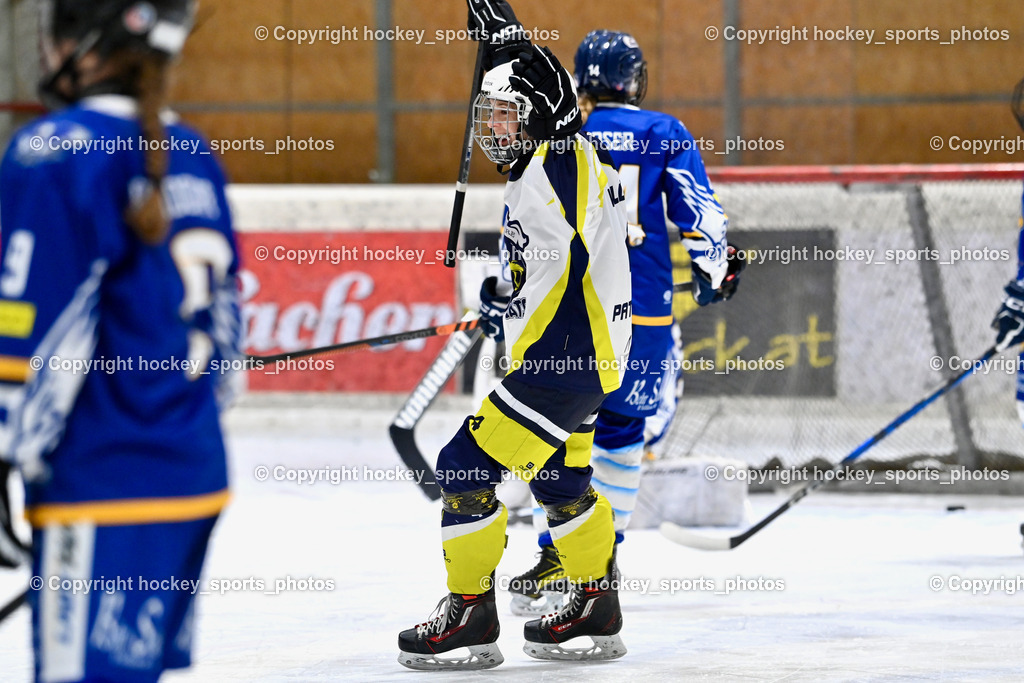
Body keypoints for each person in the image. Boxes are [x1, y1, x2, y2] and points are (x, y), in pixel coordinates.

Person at [0, 1, 240, 680]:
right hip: (193, 477)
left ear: (87, 44)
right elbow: (228, 346)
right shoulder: (193, 151)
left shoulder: (52, 151)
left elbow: (34, 333)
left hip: (101, 482)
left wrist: (4, 449)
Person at [397, 0, 632, 670]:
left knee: (464, 466)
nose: (494, 130)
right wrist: (504, 37)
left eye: (507, 116)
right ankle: (597, 601)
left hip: (564, 358)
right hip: (591, 356)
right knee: (559, 478)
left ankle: (469, 613)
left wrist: (512, 39)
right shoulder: (556, 160)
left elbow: (553, 270)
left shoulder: (557, 165)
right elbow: (553, 262)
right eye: (490, 116)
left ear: (543, 116)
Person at [505, 29, 743, 616]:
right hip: (644, 314)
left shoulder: (567, 133)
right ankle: (600, 562)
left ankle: (556, 555)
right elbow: (701, 214)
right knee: (621, 436)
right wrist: (715, 271)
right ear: (635, 78)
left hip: (572, 314)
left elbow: (532, 222)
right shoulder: (665, 132)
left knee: (557, 434)